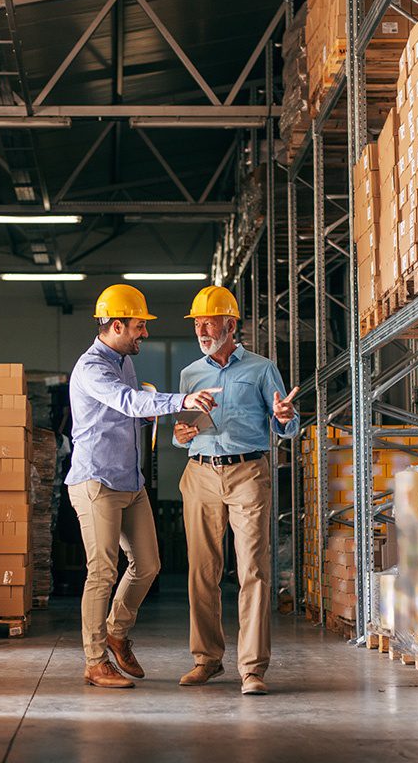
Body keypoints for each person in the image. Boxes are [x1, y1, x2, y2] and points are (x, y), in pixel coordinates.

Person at [66, 283, 221, 689]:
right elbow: (129, 402)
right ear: (116, 325)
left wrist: (151, 415)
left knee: (148, 564)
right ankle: (95, 660)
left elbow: (132, 406)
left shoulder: (123, 360)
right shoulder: (93, 368)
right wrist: (181, 401)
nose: (144, 333)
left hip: (129, 481)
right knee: (101, 571)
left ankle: (116, 632)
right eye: (139, 326)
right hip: (96, 480)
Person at [172, 285, 299, 696]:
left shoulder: (262, 369)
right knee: (202, 571)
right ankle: (206, 660)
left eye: (209, 322)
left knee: (253, 571)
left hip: (247, 473)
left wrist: (284, 416)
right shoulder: (190, 374)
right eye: (197, 323)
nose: (202, 329)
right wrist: (180, 433)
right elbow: (182, 433)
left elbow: (287, 424)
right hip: (201, 472)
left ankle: (252, 669)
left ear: (231, 324)